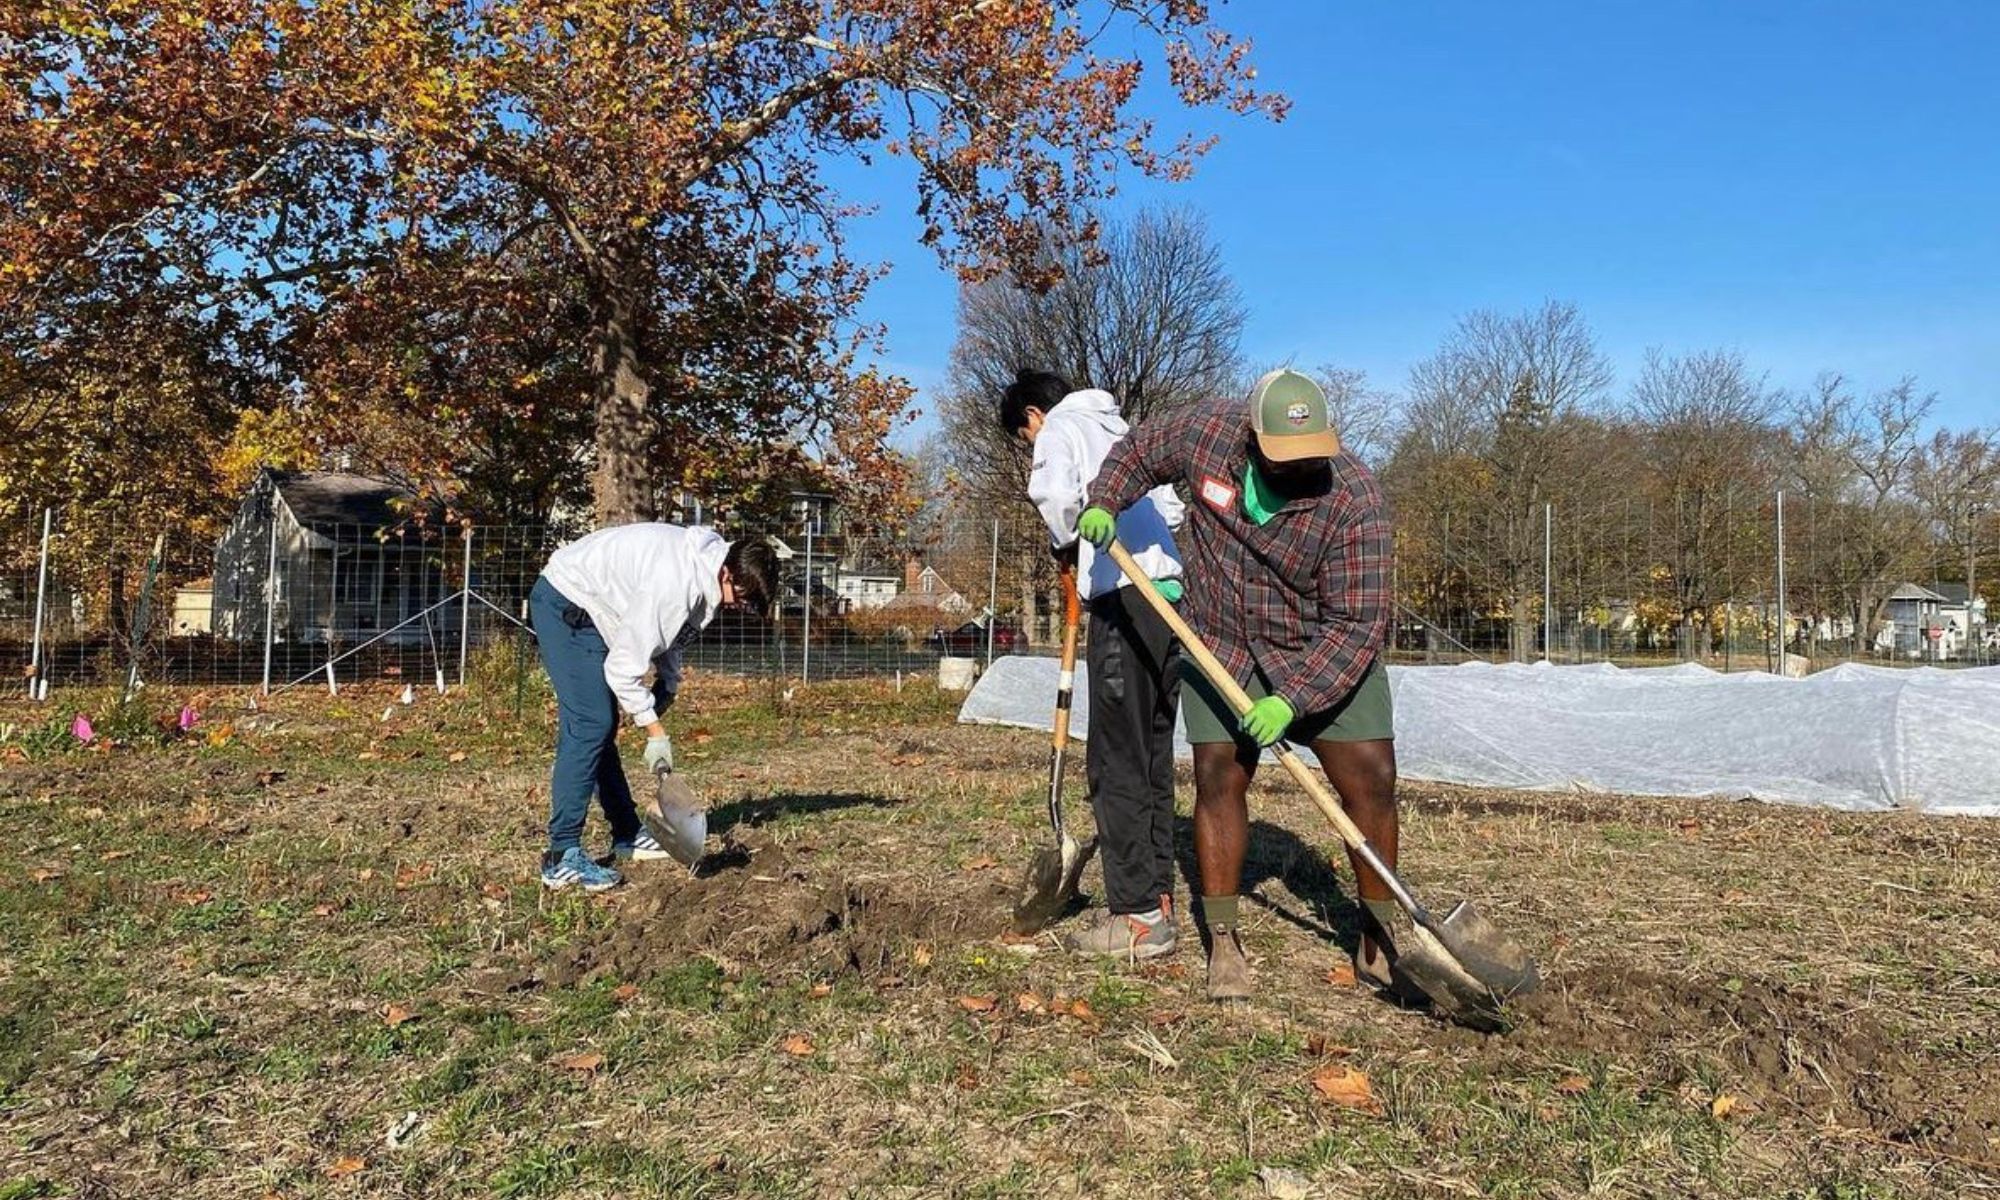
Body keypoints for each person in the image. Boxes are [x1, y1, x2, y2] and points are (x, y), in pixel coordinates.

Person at [1077, 369, 1402, 1002]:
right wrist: (1104, 500)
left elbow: (1359, 623)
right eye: (1283, 457)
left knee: (1372, 778)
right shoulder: (1205, 433)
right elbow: (1138, 451)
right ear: (1251, 437)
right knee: (1218, 775)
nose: (1299, 469)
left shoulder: (1356, 501)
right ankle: (1224, 941)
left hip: (1318, 643)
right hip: (1221, 636)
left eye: (1311, 457)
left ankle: (1378, 937)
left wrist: (1293, 697)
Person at [1000, 369, 1187, 960]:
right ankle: (1158, 899)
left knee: (1115, 760)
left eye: (1025, 437)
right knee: (1153, 753)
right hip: (1171, 601)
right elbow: (1175, 514)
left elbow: (1055, 497)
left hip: (1125, 598)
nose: (1033, 444)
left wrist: (1065, 546)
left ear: (1033, 416)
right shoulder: (1123, 428)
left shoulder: (1061, 428)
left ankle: (1134, 918)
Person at [529, 523, 777, 890]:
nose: (738, 605)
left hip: (594, 613)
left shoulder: (706, 568)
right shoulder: (676, 584)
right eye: (740, 596)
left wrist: (669, 684)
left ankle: (627, 833)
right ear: (727, 571)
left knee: (598, 724)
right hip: (567, 604)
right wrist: (654, 731)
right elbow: (623, 671)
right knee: (590, 723)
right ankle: (561, 854)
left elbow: (673, 634)